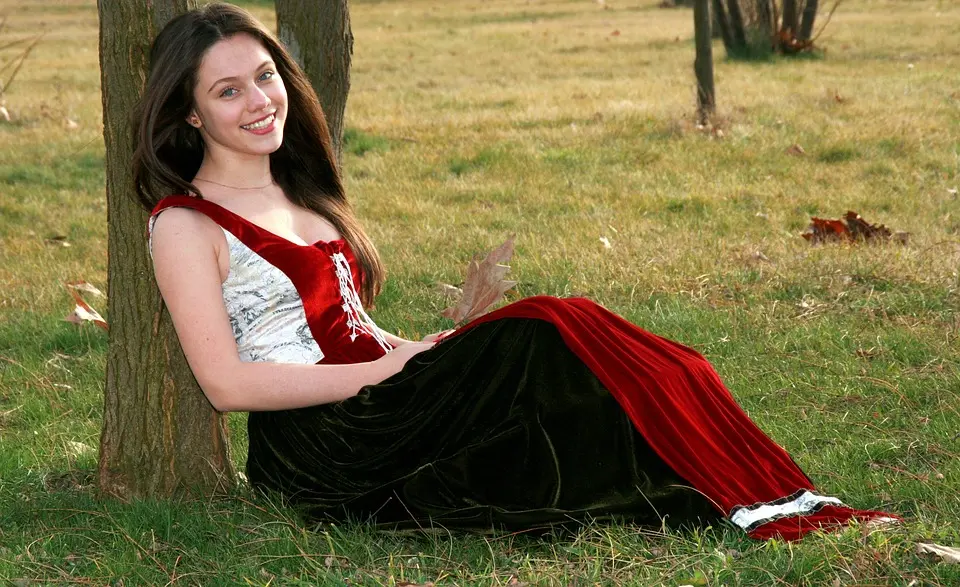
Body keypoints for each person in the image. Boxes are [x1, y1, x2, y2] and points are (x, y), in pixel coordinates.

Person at [133, 2, 893, 541]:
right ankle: (740, 499)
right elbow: (226, 385)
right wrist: (392, 370)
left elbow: (348, 328)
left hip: (381, 400)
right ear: (191, 113)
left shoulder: (296, 187)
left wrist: (418, 349)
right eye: (227, 91)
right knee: (547, 329)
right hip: (322, 447)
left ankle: (769, 492)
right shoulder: (186, 223)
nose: (260, 101)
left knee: (589, 334)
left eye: (264, 76)